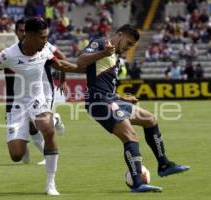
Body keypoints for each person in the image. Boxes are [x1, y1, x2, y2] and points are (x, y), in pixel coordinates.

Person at [0, 18, 77, 196]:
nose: (46, 41)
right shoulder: (9, 55)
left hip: (39, 100)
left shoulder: (45, 50)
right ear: (28, 36)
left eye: (47, 37)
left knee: (48, 129)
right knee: (16, 155)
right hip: (17, 106)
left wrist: (86, 69)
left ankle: (50, 183)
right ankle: (27, 136)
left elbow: (60, 63)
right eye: (42, 37)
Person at [76, 24, 189, 192]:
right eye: (128, 43)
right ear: (120, 35)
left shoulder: (114, 56)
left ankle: (164, 165)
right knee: (131, 137)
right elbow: (80, 61)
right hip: (99, 102)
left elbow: (104, 84)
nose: (129, 48)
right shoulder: (101, 44)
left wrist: (122, 97)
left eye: (132, 46)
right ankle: (137, 184)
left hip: (111, 99)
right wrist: (103, 53)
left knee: (150, 119)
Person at [15, 18, 66, 165]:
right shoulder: (16, 50)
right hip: (30, 93)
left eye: (25, 30)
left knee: (41, 124)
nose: (23, 33)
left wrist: (62, 80)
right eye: (20, 30)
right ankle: (46, 154)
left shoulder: (44, 44)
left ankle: (56, 119)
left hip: (45, 90)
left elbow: (62, 58)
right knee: (32, 128)